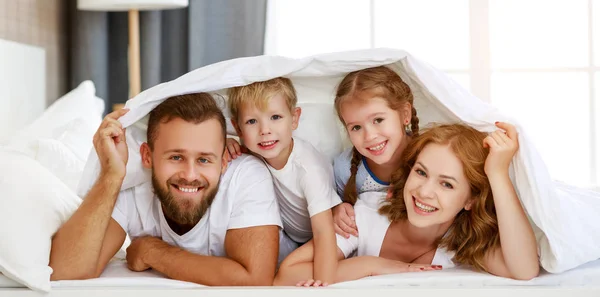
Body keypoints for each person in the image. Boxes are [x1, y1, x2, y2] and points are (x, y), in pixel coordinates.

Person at [49, 93, 283, 286]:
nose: (190, 175)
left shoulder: (245, 176)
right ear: (147, 156)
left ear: (223, 161)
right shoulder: (131, 187)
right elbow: (64, 272)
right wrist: (111, 175)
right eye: (176, 157)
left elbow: (255, 281)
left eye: (204, 160)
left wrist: (152, 251)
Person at [274, 123, 540, 286]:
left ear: (470, 199)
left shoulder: (461, 243)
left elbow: (525, 270)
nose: (424, 192)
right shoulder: (368, 215)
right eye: (421, 173)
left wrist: (497, 174)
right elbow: (286, 275)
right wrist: (374, 265)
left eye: (446, 184)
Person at [226, 78, 341, 284]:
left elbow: (324, 232)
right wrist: (225, 142)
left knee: (286, 276)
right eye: (252, 121)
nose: (264, 130)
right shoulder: (257, 148)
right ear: (238, 128)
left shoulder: (308, 168)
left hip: (328, 231)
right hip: (291, 235)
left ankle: (373, 266)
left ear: (294, 118)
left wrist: (322, 285)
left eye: (276, 117)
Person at [331, 66, 419, 239]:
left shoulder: (429, 157)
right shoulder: (345, 168)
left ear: (405, 114)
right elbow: (341, 209)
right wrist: (337, 211)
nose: (369, 136)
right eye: (356, 127)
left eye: (378, 120)